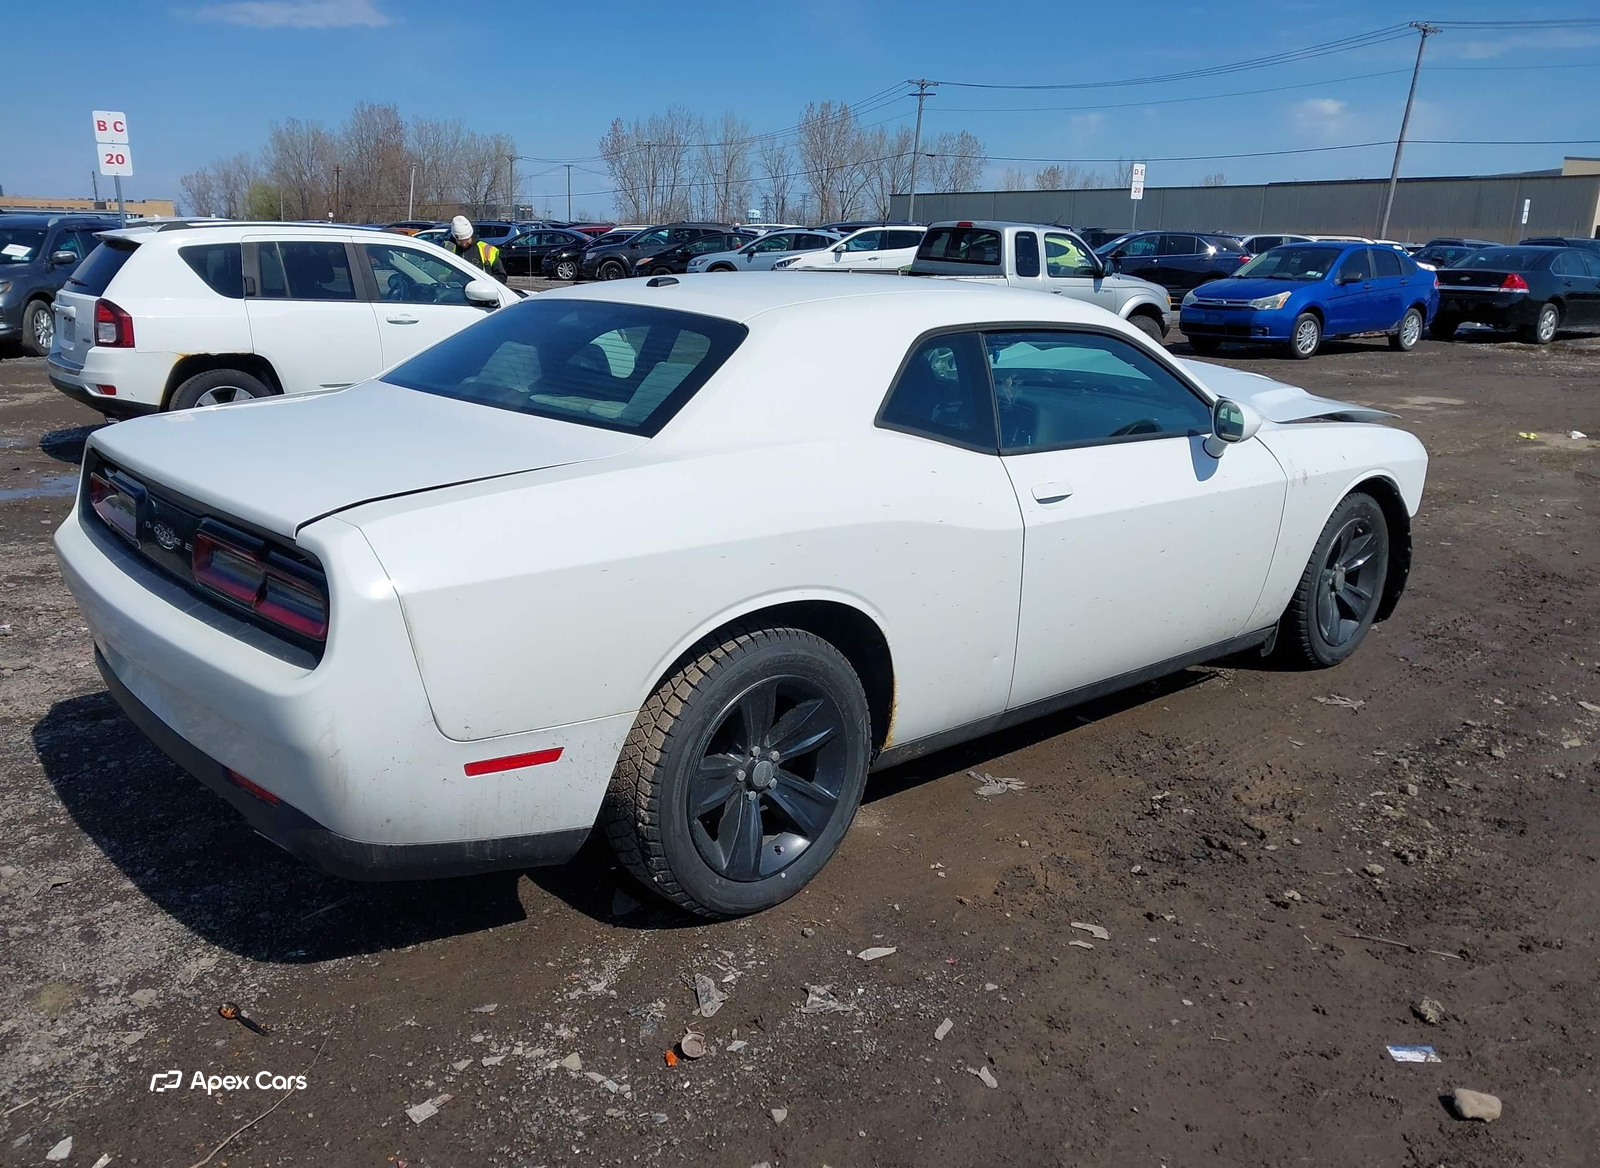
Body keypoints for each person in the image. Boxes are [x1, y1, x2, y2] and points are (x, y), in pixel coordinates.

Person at [445, 215, 507, 284]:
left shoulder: (487, 250)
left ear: (471, 235)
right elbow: (438, 274)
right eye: (460, 241)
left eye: (466, 240)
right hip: (453, 292)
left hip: (481, 292)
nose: (464, 244)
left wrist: (488, 282)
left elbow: (501, 276)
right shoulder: (447, 249)